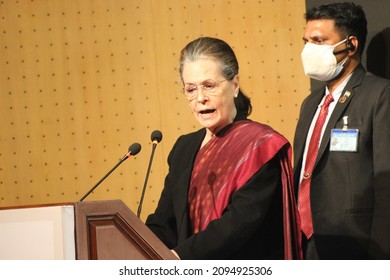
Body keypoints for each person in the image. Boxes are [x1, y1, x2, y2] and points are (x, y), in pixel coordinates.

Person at [146, 37, 302, 260]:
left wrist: (179, 257)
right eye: (191, 89)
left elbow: (238, 225)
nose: (200, 98)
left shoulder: (259, 146)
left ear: (234, 85)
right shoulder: (184, 147)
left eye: (209, 86)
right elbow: (165, 222)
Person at [294, 2, 390, 259]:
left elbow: (386, 185)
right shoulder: (310, 103)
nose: (308, 50)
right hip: (306, 244)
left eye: (319, 40)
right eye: (306, 41)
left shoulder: (379, 95)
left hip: (356, 246)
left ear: (351, 45)